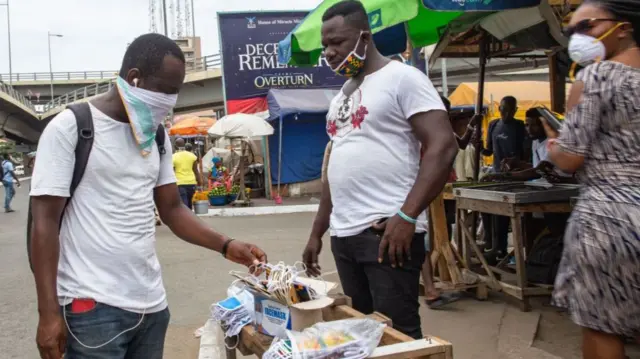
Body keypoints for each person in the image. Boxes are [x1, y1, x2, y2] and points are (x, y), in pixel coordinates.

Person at [29, 33, 267, 359]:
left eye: (176, 92)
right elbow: (42, 223)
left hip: (152, 308)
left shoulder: (155, 136)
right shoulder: (71, 127)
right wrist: (48, 313)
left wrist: (226, 245)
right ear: (133, 79)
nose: (170, 101)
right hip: (92, 310)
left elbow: (171, 209)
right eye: (165, 90)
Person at [302, 1, 458, 339]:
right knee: (362, 333)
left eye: (337, 42)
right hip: (345, 237)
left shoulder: (403, 78)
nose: (328, 52)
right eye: (325, 45)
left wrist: (407, 215)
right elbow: (335, 166)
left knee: (398, 335)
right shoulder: (341, 96)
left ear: (364, 38)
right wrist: (318, 231)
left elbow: (443, 146)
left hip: (386, 233)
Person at [543, 1, 640, 358]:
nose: (577, 38)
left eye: (587, 27)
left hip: (608, 220)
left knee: (603, 327)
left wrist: (553, 144)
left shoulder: (595, 78)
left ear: (624, 27)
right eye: (571, 31)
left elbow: (570, 158)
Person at [478, 96, 529, 259]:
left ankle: (507, 249)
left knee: (509, 216)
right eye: (502, 109)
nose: (504, 113)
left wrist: (517, 163)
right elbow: (488, 151)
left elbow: (526, 155)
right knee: (490, 211)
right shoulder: (493, 125)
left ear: (515, 110)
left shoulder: (520, 127)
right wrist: (478, 147)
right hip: (497, 176)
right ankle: (495, 245)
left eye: (508, 110)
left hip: (515, 177)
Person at [482, 108, 573, 183]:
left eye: (533, 125)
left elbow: (538, 171)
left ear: (545, 125)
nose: (529, 129)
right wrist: (518, 163)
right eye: (527, 125)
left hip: (561, 189)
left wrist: (501, 176)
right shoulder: (536, 141)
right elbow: (536, 166)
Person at [172, 138, 201, 209]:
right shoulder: (192, 156)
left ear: (175, 146)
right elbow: (195, 170)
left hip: (180, 183)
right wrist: (199, 181)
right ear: (184, 145)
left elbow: (172, 171)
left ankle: (187, 218)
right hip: (191, 182)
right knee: (189, 202)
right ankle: (189, 217)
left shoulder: (173, 157)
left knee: (184, 203)